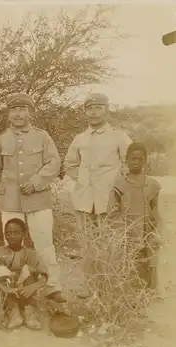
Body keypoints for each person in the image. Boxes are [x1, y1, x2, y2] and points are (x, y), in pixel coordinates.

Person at [0, 92, 65, 305]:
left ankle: (52, 288)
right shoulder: (2, 139)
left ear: (30, 113)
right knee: (11, 247)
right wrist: (10, 185)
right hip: (11, 201)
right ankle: (13, 289)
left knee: (44, 244)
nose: (18, 114)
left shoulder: (42, 136)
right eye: (14, 110)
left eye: (22, 110)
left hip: (38, 199)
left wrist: (36, 182)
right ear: (8, 114)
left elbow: (54, 163)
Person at [63, 93, 132, 298]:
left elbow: (130, 162)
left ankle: (109, 282)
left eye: (98, 108)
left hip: (108, 199)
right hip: (84, 199)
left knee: (110, 241)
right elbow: (69, 164)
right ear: (85, 112)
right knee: (87, 243)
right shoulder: (80, 138)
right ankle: (89, 284)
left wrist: (117, 186)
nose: (93, 112)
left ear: (106, 110)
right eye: (89, 108)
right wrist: (82, 179)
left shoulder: (119, 136)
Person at [0, 219, 70, 330]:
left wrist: (32, 286)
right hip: (7, 292)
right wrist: (4, 288)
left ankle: (30, 312)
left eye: (16, 233)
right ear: (5, 234)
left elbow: (44, 276)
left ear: (24, 234)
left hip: (26, 291)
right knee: (0, 269)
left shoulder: (31, 254)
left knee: (29, 269)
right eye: (9, 233)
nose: (12, 236)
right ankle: (13, 312)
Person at [107, 142, 163, 293]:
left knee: (148, 259)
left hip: (146, 231)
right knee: (127, 262)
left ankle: (147, 293)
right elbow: (112, 211)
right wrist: (121, 230)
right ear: (126, 160)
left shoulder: (152, 185)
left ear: (145, 161)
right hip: (126, 231)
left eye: (140, 159)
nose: (136, 162)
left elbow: (156, 209)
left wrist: (156, 229)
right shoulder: (120, 184)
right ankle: (126, 292)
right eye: (133, 158)